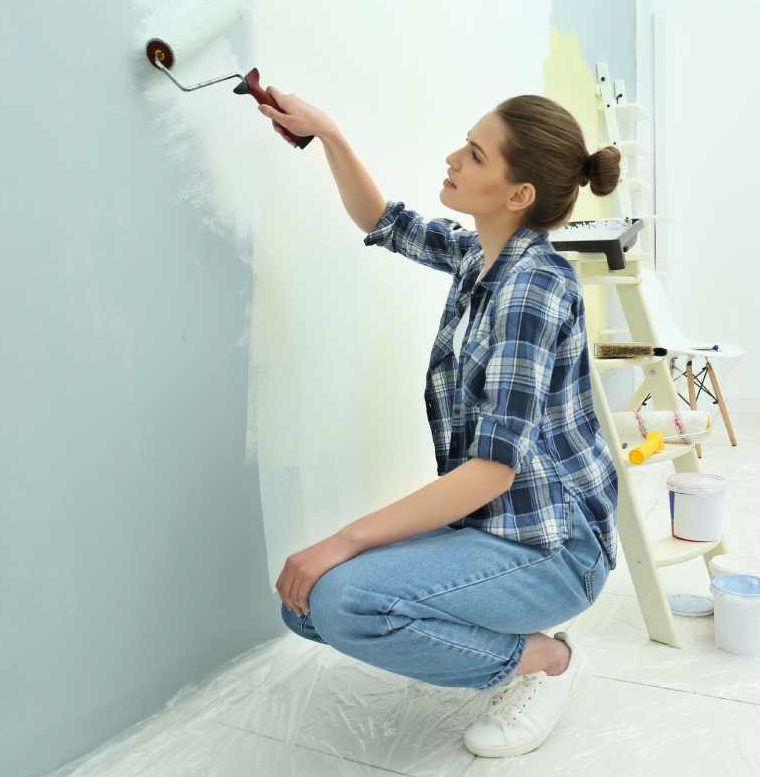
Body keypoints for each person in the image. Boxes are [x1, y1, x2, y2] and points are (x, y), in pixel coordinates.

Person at [261, 89, 621, 759]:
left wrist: (343, 540)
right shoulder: (476, 256)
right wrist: (329, 133)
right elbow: (382, 219)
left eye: (475, 154)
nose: (453, 158)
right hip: (493, 527)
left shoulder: (532, 290)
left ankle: (546, 661)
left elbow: (492, 470)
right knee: (303, 602)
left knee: (340, 599)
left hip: (553, 546)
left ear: (517, 194)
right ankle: (474, 641)